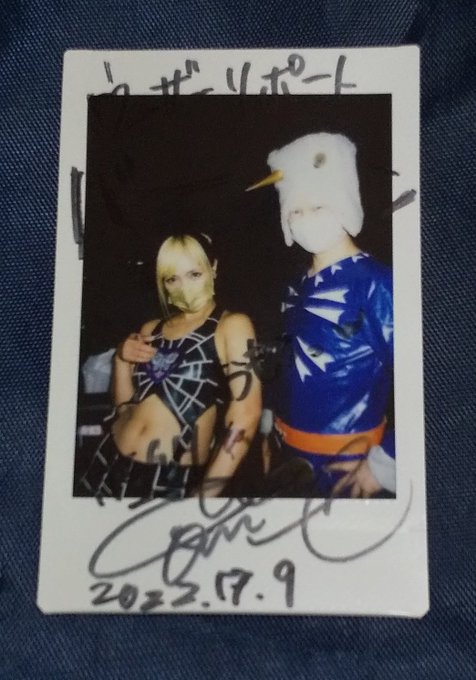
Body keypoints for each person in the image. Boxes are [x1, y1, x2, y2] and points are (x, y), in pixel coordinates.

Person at [247, 132, 395, 498]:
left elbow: (430, 379)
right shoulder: (296, 284)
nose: (304, 219)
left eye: (317, 207)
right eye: (294, 210)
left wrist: (386, 464)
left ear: (343, 203)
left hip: (343, 474)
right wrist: (268, 430)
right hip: (286, 462)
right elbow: (285, 364)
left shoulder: (378, 284)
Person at [80, 232, 261, 501]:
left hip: (170, 478)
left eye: (194, 274)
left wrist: (207, 494)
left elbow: (246, 414)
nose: (184, 287)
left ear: (213, 268)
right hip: (106, 459)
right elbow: (125, 408)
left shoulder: (232, 325)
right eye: (172, 278)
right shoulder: (151, 329)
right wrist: (121, 359)